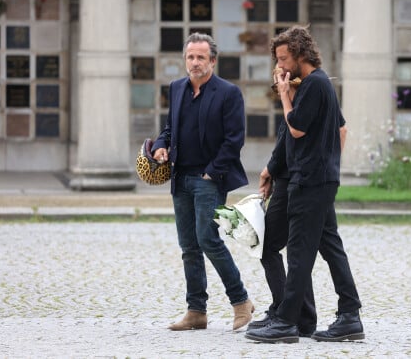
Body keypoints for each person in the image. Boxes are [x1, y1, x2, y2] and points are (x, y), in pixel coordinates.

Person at [245, 25, 364, 344]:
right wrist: (329, 163)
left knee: (298, 253)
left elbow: (295, 128)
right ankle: (349, 315)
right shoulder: (320, 84)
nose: (281, 66)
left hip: (310, 181)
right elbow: (339, 130)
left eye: (284, 58)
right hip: (319, 179)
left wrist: (285, 95)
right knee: (329, 246)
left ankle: (287, 321)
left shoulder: (314, 84)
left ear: (300, 53)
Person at [151, 32, 254, 332]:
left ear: (212, 60)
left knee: (208, 239)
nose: (195, 62)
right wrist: (160, 145)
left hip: (209, 178)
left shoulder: (228, 93)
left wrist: (211, 172)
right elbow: (170, 129)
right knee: (188, 246)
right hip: (180, 177)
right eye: (190, 57)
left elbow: (234, 140)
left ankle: (241, 302)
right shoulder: (177, 88)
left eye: (200, 57)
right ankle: (196, 311)